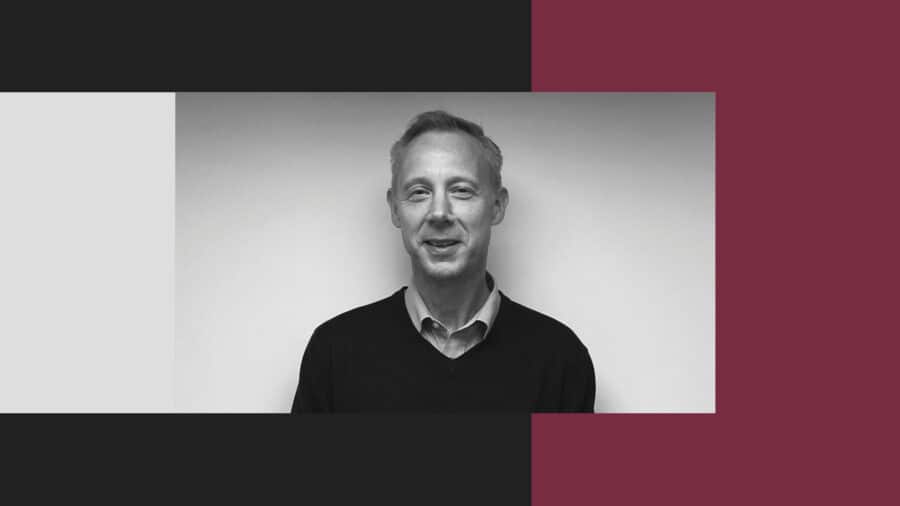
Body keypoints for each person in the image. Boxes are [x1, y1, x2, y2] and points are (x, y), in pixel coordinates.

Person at [291, 110, 595, 413]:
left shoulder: (561, 359)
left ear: (497, 206)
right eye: (419, 192)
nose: (439, 213)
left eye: (461, 191)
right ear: (395, 210)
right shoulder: (334, 351)